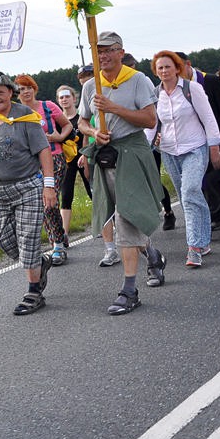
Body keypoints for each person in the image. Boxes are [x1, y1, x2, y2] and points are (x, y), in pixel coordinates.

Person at [78, 31, 167, 315]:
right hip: (105, 156)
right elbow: (81, 120)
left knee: (128, 218)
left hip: (132, 155)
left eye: (107, 50)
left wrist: (114, 108)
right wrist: (93, 131)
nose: (102, 56)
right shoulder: (92, 85)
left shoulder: (137, 79)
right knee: (119, 217)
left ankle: (129, 290)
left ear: (120, 51)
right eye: (97, 51)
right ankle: (152, 255)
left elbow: (150, 119)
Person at [0, 72, 57, 315]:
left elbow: (44, 151)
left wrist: (49, 185)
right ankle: (40, 262)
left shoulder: (26, 117)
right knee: (6, 242)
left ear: (10, 92)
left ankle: (34, 291)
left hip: (28, 186)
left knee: (27, 240)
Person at [149, 52, 220, 270]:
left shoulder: (192, 89)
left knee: (191, 190)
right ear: (156, 71)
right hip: (169, 151)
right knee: (186, 196)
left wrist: (214, 147)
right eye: (160, 68)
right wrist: (146, 147)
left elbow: (209, 118)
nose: (164, 71)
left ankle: (194, 247)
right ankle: (204, 240)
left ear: (177, 68)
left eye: (168, 67)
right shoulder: (155, 94)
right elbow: (152, 125)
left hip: (194, 148)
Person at [14, 74, 72, 265]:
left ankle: (57, 246)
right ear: (16, 93)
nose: (26, 91)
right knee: (42, 203)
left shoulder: (48, 107)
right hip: (32, 164)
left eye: (28, 87)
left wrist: (58, 138)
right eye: (21, 89)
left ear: (34, 88)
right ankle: (59, 236)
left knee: (49, 202)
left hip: (54, 160)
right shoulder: (16, 114)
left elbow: (68, 125)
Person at [177, 52, 220, 229]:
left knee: (214, 178)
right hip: (194, 139)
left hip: (219, 137)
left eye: (179, 67)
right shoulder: (177, 86)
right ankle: (214, 214)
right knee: (203, 179)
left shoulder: (209, 81)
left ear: (188, 64)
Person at [56, 84, 91, 236]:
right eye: (61, 97)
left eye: (67, 96)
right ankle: (64, 235)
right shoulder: (58, 121)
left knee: (94, 192)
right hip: (67, 162)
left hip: (85, 159)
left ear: (74, 98)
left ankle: (112, 224)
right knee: (66, 196)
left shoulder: (82, 117)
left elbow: (89, 137)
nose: (64, 99)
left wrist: (86, 155)